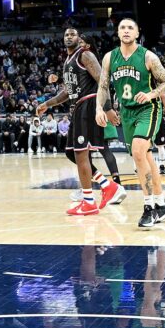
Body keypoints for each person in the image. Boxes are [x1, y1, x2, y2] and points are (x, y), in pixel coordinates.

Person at [38, 27, 126, 215]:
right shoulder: (67, 61)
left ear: (79, 38)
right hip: (78, 108)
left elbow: (103, 81)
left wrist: (108, 108)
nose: (69, 36)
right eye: (66, 34)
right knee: (72, 153)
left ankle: (89, 201)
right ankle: (106, 186)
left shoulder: (85, 55)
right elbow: (67, 92)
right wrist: (47, 104)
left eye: (73, 34)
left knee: (81, 153)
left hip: (89, 105)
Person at [96, 18, 165, 228]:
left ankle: (149, 207)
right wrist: (99, 109)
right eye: (122, 27)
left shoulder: (148, 56)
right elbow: (103, 86)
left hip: (148, 109)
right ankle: (162, 203)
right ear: (118, 32)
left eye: (130, 28)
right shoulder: (109, 58)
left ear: (137, 33)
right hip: (127, 112)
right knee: (145, 156)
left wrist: (150, 95)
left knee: (139, 152)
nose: (126, 30)